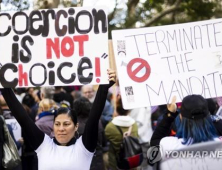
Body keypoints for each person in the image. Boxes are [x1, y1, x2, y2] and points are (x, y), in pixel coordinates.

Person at [1, 69, 116, 170]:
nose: (61, 128)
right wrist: (4, 85)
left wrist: (103, 87)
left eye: (66, 124)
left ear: (76, 126)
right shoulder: (44, 145)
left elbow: (93, 118)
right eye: (57, 124)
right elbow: (23, 119)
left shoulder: (83, 148)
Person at [150, 95, 220, 158]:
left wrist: (169, 115)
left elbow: (154, 145)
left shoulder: (170, 145)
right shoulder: (219, 144)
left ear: (180, 117)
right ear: (208, 117)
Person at [105, 95, 138, 170]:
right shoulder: (134, 124)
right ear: (128, 110)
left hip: (116, 163)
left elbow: (105, 140)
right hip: (131, 162)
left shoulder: (110, 126)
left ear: (116, 109)